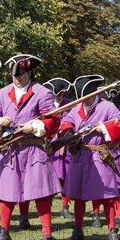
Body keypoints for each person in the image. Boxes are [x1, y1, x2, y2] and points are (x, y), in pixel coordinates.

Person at [0, 54, 61, 240]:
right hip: (10, 149)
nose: (18, 79)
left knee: (41, 193)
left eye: (22, 74)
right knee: (6, 193)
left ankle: (47, 235)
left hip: (34, 147)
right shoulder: (2, 94)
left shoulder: (42, 93)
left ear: (29, 72)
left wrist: (34, 126)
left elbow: (53, 120)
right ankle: (4, 233)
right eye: (15, 75)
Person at [62, 75, 120, 240]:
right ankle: (78, 230)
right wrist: (68, 132)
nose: (84, 101)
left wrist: (105, 128)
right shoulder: (77, 107)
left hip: (100, 156)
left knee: (108, 197)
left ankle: (111, 231)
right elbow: (66, 121)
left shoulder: (108, 107)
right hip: (80, 155)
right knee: (78, 196)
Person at [97, 86, 120, 230]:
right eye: (108, 99)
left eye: (112, 98)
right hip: (101, 153)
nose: (111, 101)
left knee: (119, 188)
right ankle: (96, 215)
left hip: (115, 152)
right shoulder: (96, 113)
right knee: (99, 186)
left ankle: (119, 215)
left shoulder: (118, 112)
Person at [43, 77, 75, 220]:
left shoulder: (70, 105)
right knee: (46, 177)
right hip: (47, 144)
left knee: (65, 177)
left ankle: (65, 207)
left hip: (64, 144)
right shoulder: (44, 104)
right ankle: (46, 207)